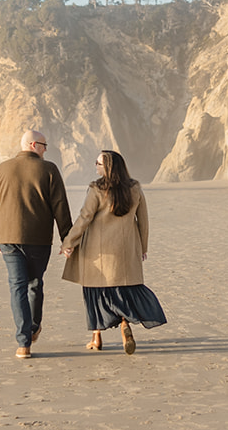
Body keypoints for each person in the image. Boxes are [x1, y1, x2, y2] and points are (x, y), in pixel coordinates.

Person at [60, 149, 167, 354]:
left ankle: (96, 338)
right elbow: (143, 220)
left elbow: (85, 218)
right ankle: (125, 324)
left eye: (98, 163)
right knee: (124, 289)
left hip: (98, 252)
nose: (96, 167)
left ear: (108, 167)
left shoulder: (97, 188)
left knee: (96, 292)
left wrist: (68, 242)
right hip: (127, 249)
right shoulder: (135, 188)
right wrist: (143, 247)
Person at [0, 128, 72, 359]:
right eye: (44, 145)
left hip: (8, 238)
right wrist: (67, 238)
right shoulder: (49, 169)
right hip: (38, 238)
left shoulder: (3, 168)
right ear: (33, 145)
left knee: (17, 287)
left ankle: (23, 343)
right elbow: (60, 206)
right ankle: (32, 329)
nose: (46, 150)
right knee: (34, 284)